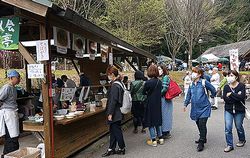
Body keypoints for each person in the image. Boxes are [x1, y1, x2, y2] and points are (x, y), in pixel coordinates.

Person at [184, 67, 216, 152]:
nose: (193, 74)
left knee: (202, 123)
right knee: (198, 123)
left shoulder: (203, 82)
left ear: (199, 74)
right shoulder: (191, 84)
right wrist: (185, 104)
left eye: (195, 72)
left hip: (205, 107)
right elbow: (188, 95)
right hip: (195, 109)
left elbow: (213, 89)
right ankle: (203, 136)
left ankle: (201, 141)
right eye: (192, 72)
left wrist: (212, 97)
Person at [102, 66, 125, 157]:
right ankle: (111, 148)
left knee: (116, 130)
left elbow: (113, 101)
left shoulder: (115, 85)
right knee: (113, 130)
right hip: (119, 111)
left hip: (115, 112)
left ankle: (122, 147)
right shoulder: (120, 83)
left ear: (112, 74)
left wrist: (110, 113)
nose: (108, 76)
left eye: (108, 75)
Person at [223, 70, 246, 152]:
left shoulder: (241, 86)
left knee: (239, 126)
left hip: (239, 110)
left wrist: (231, 94)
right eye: (229, 75)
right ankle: (230, 145)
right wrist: (236, 96)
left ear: (236, 77)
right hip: (228, 110)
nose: (230, 77)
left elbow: (242, 97)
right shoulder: (226, 87)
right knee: (228, 128)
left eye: (232, 75)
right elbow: (226, 99)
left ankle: (242, 139)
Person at [0, 70, 21, 157]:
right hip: (8, 113)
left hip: (13, 112)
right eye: (18, 77)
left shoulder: (14, 87)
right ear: (11, 78)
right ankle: (8, 155)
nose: (19, 79)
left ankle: (10, 154)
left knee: (14, 136)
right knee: (11, 136)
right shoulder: (6, 87)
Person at [143, 65, 164, 147]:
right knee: (158, 120)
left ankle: (153, 140)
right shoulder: (160, 82)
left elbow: (143, 92)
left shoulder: (148, 82)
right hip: (158, 103)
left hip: (150, 103)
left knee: (151, 121)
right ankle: (161, 138)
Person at [158, 65, 172, 139]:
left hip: (165, 98)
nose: (158, 70)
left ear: (163, 69)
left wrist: (157, 95)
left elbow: (164, 89)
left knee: (165, 115)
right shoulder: (163, 77)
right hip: (165, 99)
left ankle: (165, 132)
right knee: (165, 115)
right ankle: (165, 131)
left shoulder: (165, 77)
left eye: (159, 69)